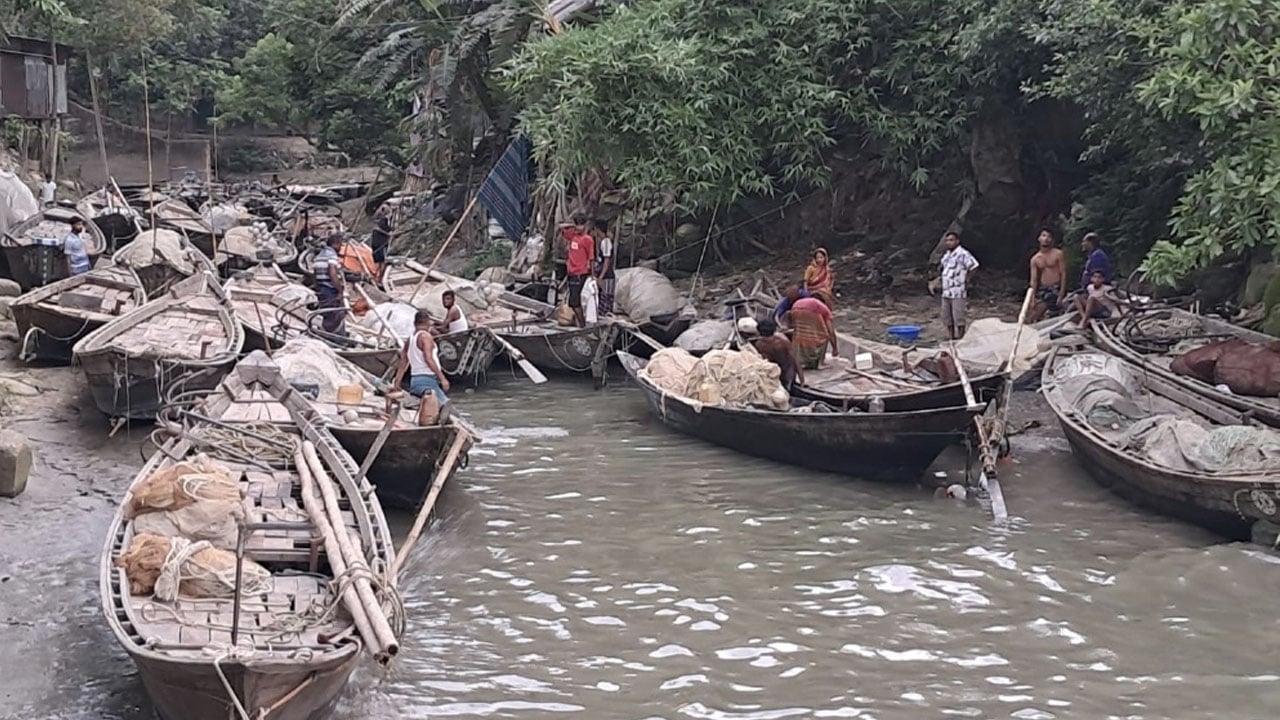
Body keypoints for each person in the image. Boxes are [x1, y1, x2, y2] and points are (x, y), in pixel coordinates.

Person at [390, 310, 451, 426]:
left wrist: (397, 381)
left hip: (415, 382)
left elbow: (404, 361)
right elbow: (429, 359)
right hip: (427, 381)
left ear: (415, 323)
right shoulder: (425, 336)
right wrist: (443, 378)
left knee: (440, 407)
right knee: (445, 406)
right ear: (427, 322)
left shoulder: (411, 339)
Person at [938, 231, 979, 340]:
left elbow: (974, 265)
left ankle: (961, 338)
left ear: (957, 241)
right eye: (947, 240)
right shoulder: (947, 255)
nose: (949, 242)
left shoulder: (963, 254)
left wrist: (967, 279)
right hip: (946, 291)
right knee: (947, 316)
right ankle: (951, 337)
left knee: (958, 316)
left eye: (951, 240)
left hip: (958, 291)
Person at [786, 296, 839, 370]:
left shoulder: (807, 301)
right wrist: (835, 349)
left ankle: (801, 361)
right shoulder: (824, 309)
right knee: (824, 336)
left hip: (795, 307)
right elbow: (831, 332)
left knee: (801, 334)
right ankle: (820, 363)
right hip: (811, 309)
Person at [561, 213, 594, 327]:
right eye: (577, 225)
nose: (579, 228)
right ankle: (580, 323)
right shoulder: (572, 236)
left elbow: (591, 258)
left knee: (575, 302)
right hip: (571, 273)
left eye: (581, 225)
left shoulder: (588, 239)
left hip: (581, 273)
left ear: (586, 225)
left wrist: (592, 276)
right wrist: (572, 225)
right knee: (573, 301)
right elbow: (561, 227)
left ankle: (582, 325)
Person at [1027, 228, 1067, 323]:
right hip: (1044, 288)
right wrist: (1032, 298)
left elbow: (1063, 273)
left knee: (1045, 307)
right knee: (1032, 311)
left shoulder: (1058, 254)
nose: (1046, 239)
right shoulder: (1035, 259)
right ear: (1039, 238)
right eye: (1044, 235)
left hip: (1056, 287)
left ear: (1052, 240)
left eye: (1049, 236)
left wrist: (1061, 293)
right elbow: (1034, 280)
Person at [753, 318, 804, 390]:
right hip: (773, 371)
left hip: (787, 370)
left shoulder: (782, 341)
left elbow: (794, 359)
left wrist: (802, 380)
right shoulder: (760, 344)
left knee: (787, 388)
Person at [313, 233, 347, 337]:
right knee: (337, 314)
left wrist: (317, 289)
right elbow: (332, 273)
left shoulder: (319, 256)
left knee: (325, 314)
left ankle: (324, 334)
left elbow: (314, 275)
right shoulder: (332, 256)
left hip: (321, 289)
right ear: (335, 244)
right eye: (340, 245)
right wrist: (340, 291)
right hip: (330, 290)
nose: (340, 248)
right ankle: (337, 338)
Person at [592, 219, 616, 317]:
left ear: (598, 230)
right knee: (602, 298)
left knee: (606, 299)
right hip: (603, 275)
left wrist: (601, 276)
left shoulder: (606, 242)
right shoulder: (602, 242)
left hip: (607, 277)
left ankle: (605, 318)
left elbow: (607, 261)